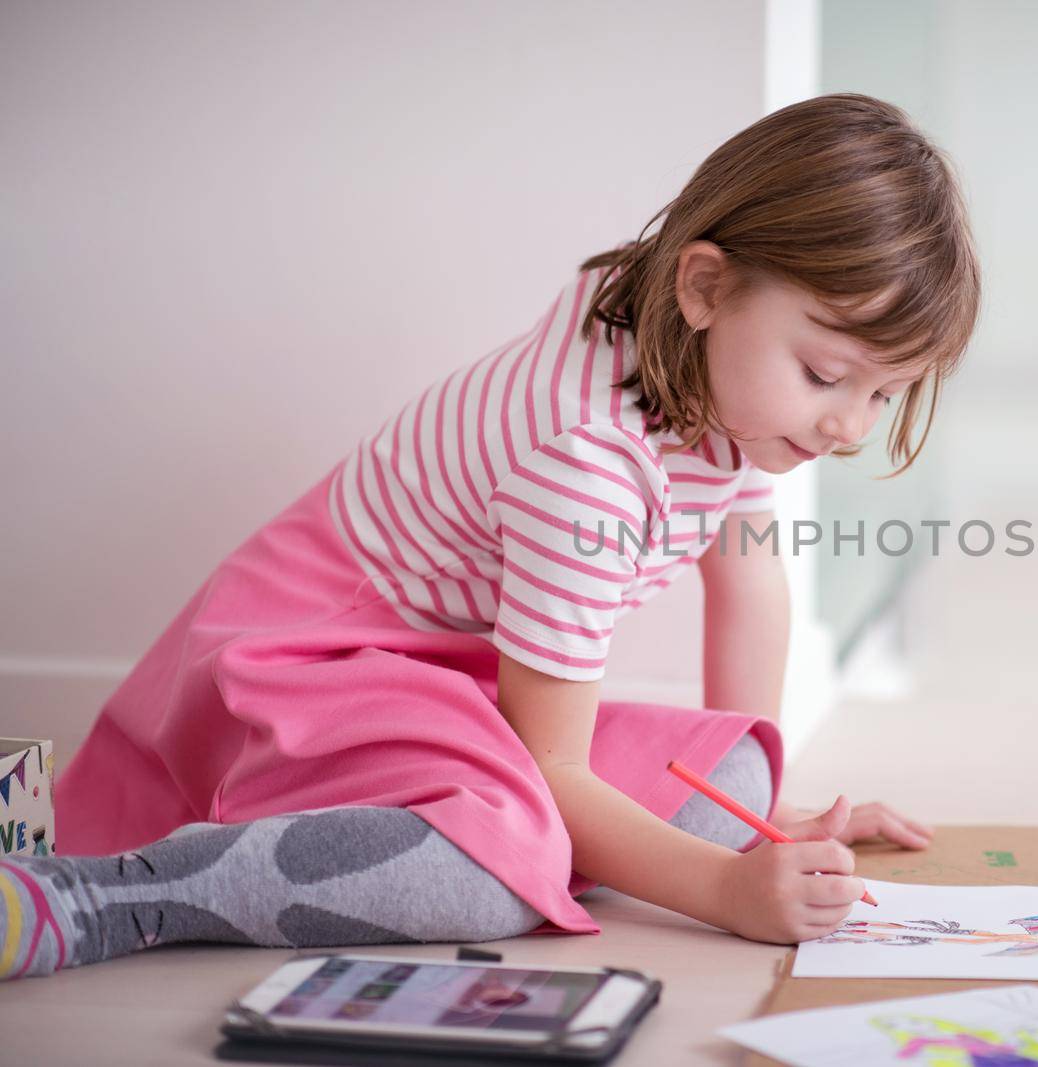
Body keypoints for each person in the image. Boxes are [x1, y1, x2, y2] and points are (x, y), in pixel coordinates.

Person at [0, 92, 981, 980]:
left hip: (457, 674)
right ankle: (104, 895)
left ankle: (485, 835)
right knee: (505, 866)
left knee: (727, 765)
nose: (849, 426)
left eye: (883, 393)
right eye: (824, 375)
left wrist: (759, 821)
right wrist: (726, 890)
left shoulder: (714, 388)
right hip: (307, 659)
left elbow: (749, 585)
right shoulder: (585, 458)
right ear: (705, 287)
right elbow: (549, 762)